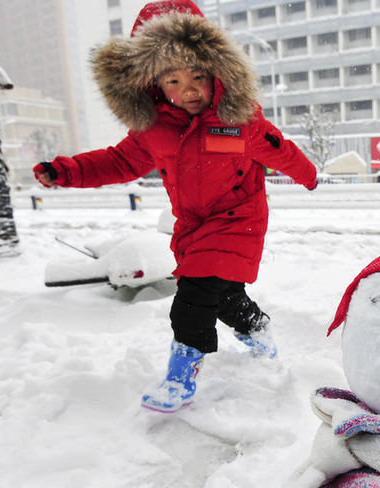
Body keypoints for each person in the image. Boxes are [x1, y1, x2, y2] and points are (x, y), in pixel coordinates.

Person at [33, 0, 318, 413]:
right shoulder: (154, 130)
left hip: (239, 221)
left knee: (194, 296)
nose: (189, 89)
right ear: (151, 83)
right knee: (223, 297)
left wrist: (308, 176)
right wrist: (64, 171)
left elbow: (283, 151)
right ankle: (258, 330)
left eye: (198, 75)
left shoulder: (241, 119)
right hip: (194, 227)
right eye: (172, 79)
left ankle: (181, 375)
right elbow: (117, 161)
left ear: (217, 71)